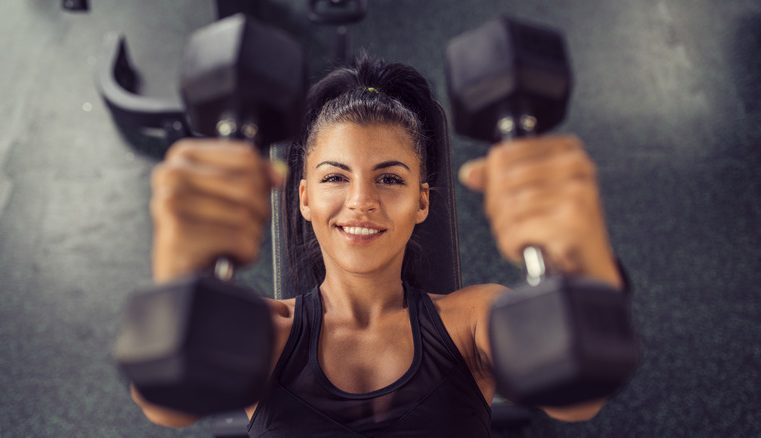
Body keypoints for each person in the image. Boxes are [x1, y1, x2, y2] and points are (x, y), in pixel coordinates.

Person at [131, 56, 626, 436]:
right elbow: (166, 407)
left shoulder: (473, 320)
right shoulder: (264, 331)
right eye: (334, 178)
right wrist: (178, 274)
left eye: (389, 178)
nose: (361, 201)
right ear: (303, 198)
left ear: (422, 202)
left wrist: (584, 259)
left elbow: (579, 400)